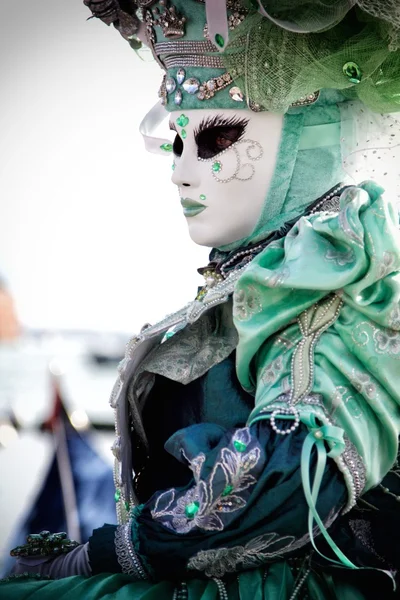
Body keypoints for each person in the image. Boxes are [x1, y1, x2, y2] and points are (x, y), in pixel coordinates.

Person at [2, 1, 400, 598]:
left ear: (305, 137)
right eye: (180, 139)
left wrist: (104, 552)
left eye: (215, 136)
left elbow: (287, 480)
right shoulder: (262, 281)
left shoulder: (338, 283)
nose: (181, 174)